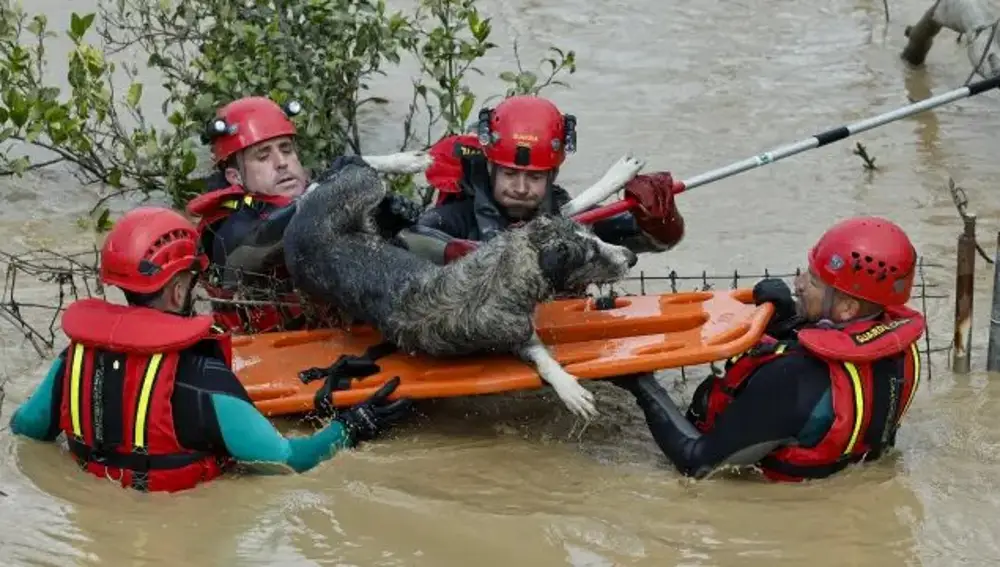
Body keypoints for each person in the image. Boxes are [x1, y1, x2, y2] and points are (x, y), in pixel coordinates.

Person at [8, 207, 412, 493]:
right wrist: (352, 427)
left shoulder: (74, 361)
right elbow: (290, 462)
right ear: (179, 288)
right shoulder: (203, 380)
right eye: (192, 280)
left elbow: (26, 428)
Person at [613, 216, 925, 482]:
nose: (799, 283)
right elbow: (838, 356)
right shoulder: (901, 348)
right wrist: (787, 319)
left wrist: (641, 384)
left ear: (846, 308)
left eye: (813, 281)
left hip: (773, 497)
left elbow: (696, 464)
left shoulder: (793, 379)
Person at [185, 96, 424, 334]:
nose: (281, 163)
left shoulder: (318, 199)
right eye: (263, 156)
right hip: (269, 352)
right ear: (235, 177)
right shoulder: (229, 230)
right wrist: (330, 186)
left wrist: (381, 227)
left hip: (333, 336)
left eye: (287, 150)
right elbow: (275, 237)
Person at [396, 95, 687, 264]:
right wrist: (467, 253)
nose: (521, 189)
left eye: (534, 177)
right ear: (491, 169)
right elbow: (406, 241)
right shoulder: (454, 219)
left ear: (552, 175)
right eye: (509, 174)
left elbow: (655, 242)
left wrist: (660, 220)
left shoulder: (572, 219)